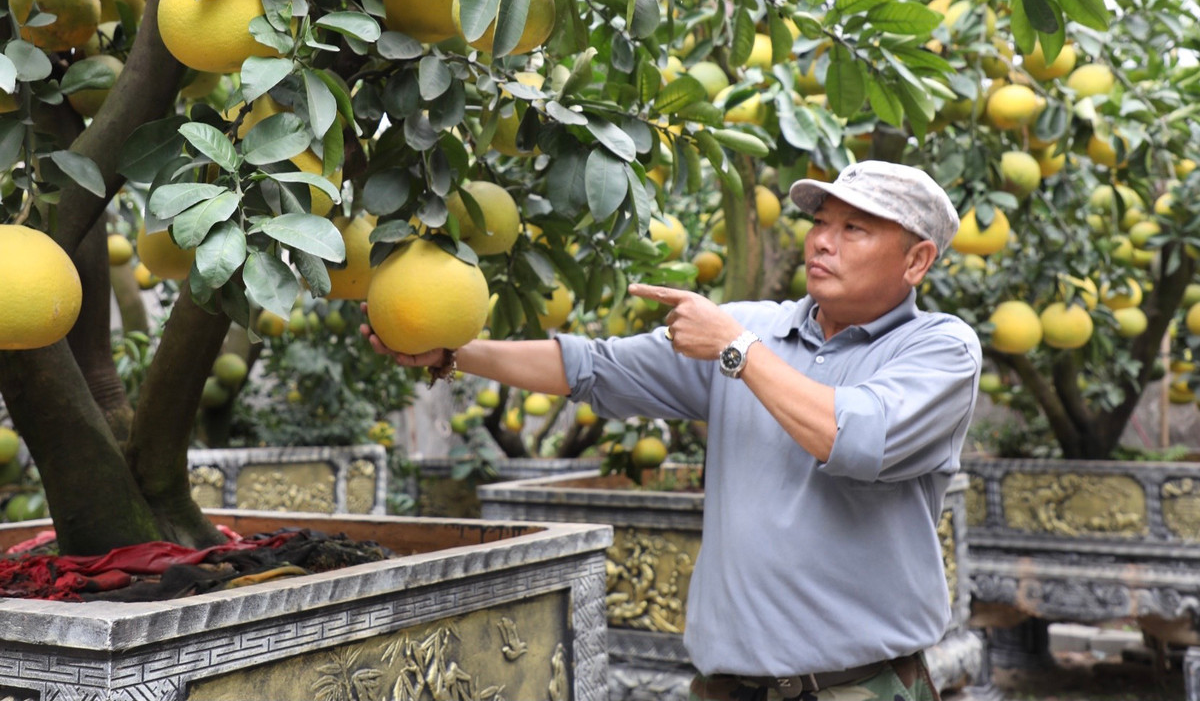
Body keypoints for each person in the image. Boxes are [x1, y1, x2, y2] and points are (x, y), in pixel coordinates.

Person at [363, 160, 982, 701]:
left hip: (859, 687)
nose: (822, 241)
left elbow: (851, 437)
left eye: (854, 229)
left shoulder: (939, 350)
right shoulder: (755, 330)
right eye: (820, 222)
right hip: (726, 686)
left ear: (917, 260)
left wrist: (735, 349)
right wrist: (452, 352)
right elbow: (593, 368)